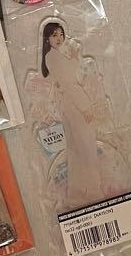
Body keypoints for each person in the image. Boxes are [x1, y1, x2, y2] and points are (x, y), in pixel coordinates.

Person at [40, 21, 105, 207]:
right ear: (47, 38)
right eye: (54, 35)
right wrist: (85, 108)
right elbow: (70, 84)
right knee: (86, 148)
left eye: (61, 34)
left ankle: (78, 195)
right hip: (75, 105)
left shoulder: (54, 57)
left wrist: (75, 57)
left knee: (76, 150)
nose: (59, 38)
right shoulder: (54, 57)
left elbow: (70, 77)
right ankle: (94, 192)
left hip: (69, 105)